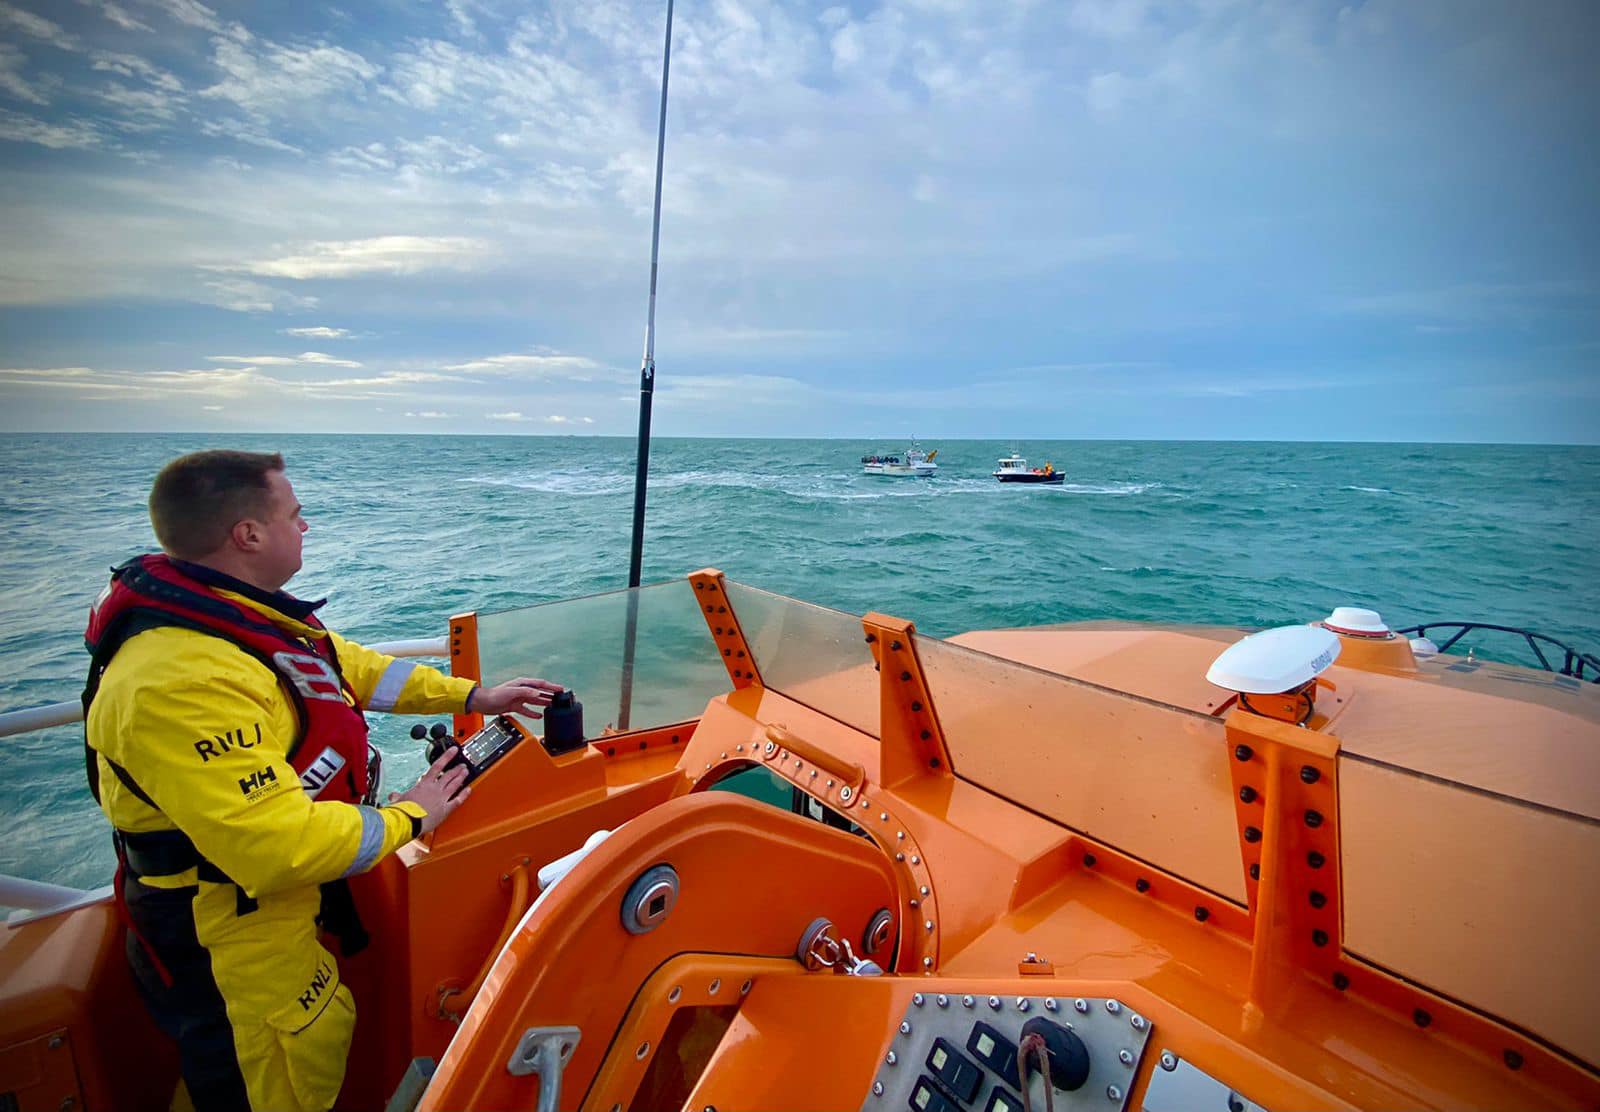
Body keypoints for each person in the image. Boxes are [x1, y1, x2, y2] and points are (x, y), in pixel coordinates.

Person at [83, 449, 562, 1112]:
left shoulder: (241, 615)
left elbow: (352, 669)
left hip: (263, 908)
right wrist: (413, 816)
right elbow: (275, 848)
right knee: (268, 1079)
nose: (304, 528)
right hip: (221, 923)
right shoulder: (177, 680)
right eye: (294, 515)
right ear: (247, 535)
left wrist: (476, 696)